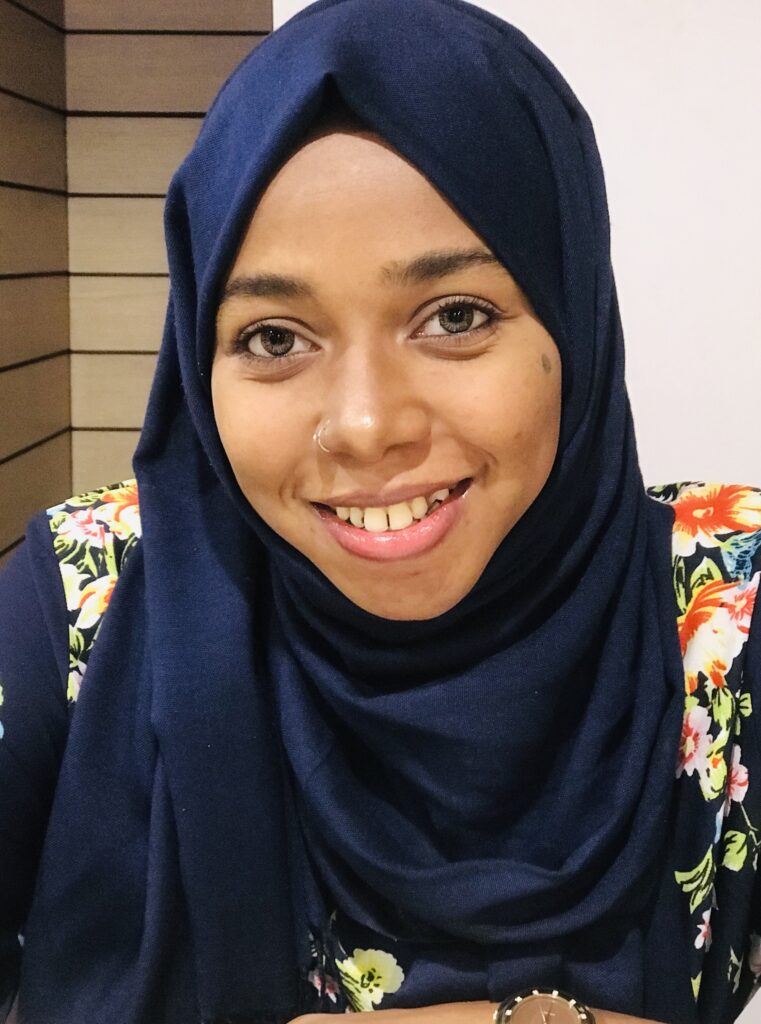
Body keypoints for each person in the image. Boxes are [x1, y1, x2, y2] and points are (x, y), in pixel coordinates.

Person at [1, 0, 760, 1021]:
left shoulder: (727, 616)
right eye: (274, 337)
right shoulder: (79, 602)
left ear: (571, 317)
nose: (363, 427)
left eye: (455, 316)